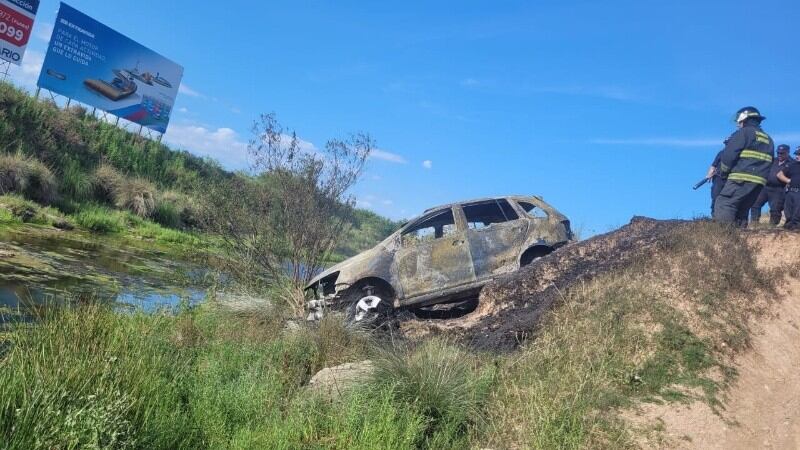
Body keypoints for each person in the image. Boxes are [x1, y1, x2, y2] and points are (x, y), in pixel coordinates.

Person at [713, 106, 775, 227]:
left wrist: (724, 173)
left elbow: (728, 155)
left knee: (724, 203)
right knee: (742, 209)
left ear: (745, 119)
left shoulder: (744, 133)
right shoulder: (768, 139)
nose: (737, 124)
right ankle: (740, 239)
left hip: (740, 178)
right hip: (758, 183)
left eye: (739, 120)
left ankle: (723, 237)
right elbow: (771, 161)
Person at [749, 144, 792, 225]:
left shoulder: (791, 163)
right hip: (765, 187)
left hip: (779, 189)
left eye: (782, 153)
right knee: (755, 204)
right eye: (778, 153)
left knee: (775, 209)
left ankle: (771, 226)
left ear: (787, 152)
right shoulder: (773, 160)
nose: (779, 155)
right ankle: (754, 224)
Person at [777, 159, 800, 230]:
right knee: (788, 212)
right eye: (796, 154)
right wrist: (788, 180)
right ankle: (788, 227)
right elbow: (779, 174)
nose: (797, 156)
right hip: (790, 192)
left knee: (797, 213)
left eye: (799, 154)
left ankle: (796, 228)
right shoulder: (791, 165)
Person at [705, 149, 726, 216]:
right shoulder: (722, 153)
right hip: (718, 178)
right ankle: (714, 217)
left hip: (730, 179)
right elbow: (713, 165)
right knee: (715, 197)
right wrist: (709, 174)